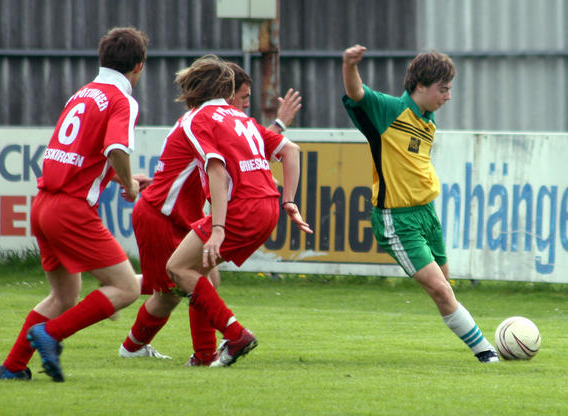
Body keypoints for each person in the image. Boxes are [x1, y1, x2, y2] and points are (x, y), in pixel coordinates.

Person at [118, 60, 303, 366]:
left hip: (209, 211)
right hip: (167, 214)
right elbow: (282, 151)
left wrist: (218, 226)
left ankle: (223, 340)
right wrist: (289, 201)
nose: (245, 101)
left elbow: (218, 165)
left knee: (183, 279)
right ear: (225, 91)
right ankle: (180, 351)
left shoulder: (204, 119)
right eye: (242, 95)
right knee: (180, 285)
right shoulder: (222, 120)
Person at [0, 27, 150, 382]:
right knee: (125, 288)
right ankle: (50, 335)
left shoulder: (83, 93)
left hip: (44, 203)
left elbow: (80, 157)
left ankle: (13, 367)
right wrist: (127, 183)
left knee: (64, 295)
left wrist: (123, 177)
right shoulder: (121, 99)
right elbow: (115, 149)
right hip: (71, 210)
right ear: (138, 66)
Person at [341, 44, 499, 363]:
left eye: (450, 89)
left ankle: (479, 345)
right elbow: (357, 92)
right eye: (444, 89)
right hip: (397, 220)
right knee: (441, 290)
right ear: (420, 86)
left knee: (444, 287)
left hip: (427, 213)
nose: (448, 96)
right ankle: (486, 352)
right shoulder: (387, 110)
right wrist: (349, 65)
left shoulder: (427, 120)